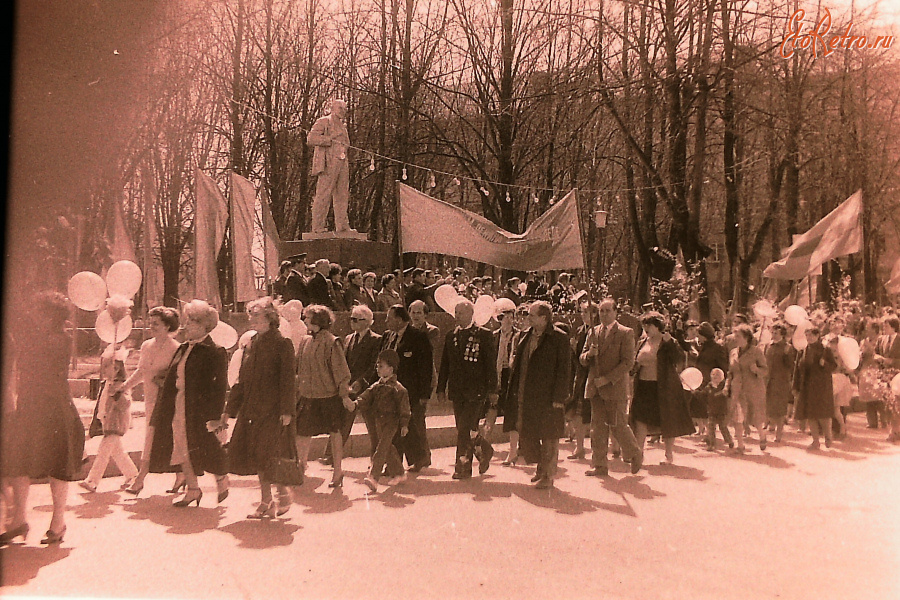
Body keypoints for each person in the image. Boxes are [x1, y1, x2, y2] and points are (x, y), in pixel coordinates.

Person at [1, 293, 84, 546]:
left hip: (54, 408)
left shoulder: (60, 339)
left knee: (57, 466)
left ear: (51, 315)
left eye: (38, 311)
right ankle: (19, 521)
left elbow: (36, 359)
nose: (33, 315)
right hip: (29, 406)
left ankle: (58, 522)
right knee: (18, 462)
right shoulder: (33, 338)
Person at [148, 300, 230, 507]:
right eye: (187, 321)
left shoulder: (215, 351)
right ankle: (193, 489)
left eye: (192, 322)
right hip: (178, 403)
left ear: (204, 326)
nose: (186, 326)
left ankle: (221, 478)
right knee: (180, 445)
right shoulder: (184, 348)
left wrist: (216, 415)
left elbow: (219, 387)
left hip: (198, 408)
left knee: (206, 445)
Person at [222, 298, 296, 519]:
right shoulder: (251, 343)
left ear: (269, 317)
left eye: (255, 315)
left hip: (273, 410)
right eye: (250, 315)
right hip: (251, 409)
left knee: (269, 454)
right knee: (256, 455)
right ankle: (267, 500)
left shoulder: (283, 343)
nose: (251, 319)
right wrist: (229, 409)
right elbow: (242, 380)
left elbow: (287, 381)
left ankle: (282, 494)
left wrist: (287, 411)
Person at [507, 301, 571, 489]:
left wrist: (559, 398)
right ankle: (541, 468)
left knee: (550, 437)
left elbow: (564, 370)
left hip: (549, 397)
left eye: (532, 315)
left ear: (544, 318)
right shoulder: (524, 335)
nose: (528, 318)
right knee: (529, 434)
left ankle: (548, 475)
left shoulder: (559, 338)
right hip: (526, 394)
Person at [117, 306, 181, 495]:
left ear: (168, 326)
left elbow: (177, 376)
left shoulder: (175, 348)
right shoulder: (146, 345)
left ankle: (140, 479)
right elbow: (141, 372)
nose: (151, 326)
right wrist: (124, 387)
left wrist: (164, 379)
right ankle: (180, 476)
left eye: (156, 323)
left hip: (169, 401)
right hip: (151, 400)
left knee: (160, 438)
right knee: (154, 437)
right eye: (150, 322)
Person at [581, 299, 643, 477]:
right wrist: (589, 355)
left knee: (618, 426)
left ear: (616, 313)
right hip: (595, 388)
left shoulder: (625, 333)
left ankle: (634, 453)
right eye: (601, 311)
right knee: (597, 428)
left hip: (614, 388)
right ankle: (599, 464)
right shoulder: (593, 332)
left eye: (608, 311)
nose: (604, 314)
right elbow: (582, 358)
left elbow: (628, 363)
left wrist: (607, 379)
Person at [437, 300, 498, 479]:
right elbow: (445, 364)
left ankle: (462, 467)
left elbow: (490, 365)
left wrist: (493, 389)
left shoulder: (483, 335)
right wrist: (441, 388)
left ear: (471, 314)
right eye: (455, 313)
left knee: (464, 429)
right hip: (458, 390)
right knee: (465, 428)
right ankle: (484, 451)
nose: (457, 316)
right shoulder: (451, 336)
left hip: (476, 390)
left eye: (460, 313)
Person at [294, 305, 354, 488]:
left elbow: (341, 372)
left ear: (318, 320)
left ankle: (338, 471)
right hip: (308, 396)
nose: (305, 320)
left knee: (334, 433)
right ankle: (300, 466)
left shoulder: (332, 342)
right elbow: (298, 367)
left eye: (308, 317)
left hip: (329, 397)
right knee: (302, 433)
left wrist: (344, 396)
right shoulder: (305, 341)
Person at [631, 312, 695, 465]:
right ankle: (639, 454)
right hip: (643, 385)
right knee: (640, 420)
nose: (646, 328)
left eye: (649, 325)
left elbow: (679, 359)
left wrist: (671, 344)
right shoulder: (642, 341)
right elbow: (636, 360)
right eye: (644, 325)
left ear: (658, 326)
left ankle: (668, 454)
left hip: (663, 387)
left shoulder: (667, 341)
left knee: (666, 420)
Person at [321, 304, 381, 465]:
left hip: (367, 389)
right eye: (351, 318)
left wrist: (361, 382)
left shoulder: (376, 340)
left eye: (355, 319)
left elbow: (374, 365)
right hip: (348, 387)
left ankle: (376, 459)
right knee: (342, 421)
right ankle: (331, 455)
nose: (352, 322)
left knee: (373, 426)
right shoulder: (348, 338)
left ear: (367, 321)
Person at [381, 305, 434, 471]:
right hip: (389, 391)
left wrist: (424, 394)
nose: (386, 321)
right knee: (394, 428)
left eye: (389, 318)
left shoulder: (418, 337)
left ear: (398, 319)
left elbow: (425, 368)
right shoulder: (387, 336)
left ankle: (416, 459)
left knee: (408, 426)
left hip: (410, 391)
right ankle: (399, 463)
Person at [79, 352, 139, 493]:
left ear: (117, 369)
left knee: (103, 452)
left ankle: (92, 481)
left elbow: (126, 404)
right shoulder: (106, 384)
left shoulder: (120, 385)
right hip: (107, 422)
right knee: (118, 452)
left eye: (107, 366)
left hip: (116, 422)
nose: (104, 369)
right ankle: (132, 475)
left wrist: (117, 394)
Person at [357, 350, 411, 491]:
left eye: (381, 366)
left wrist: (404, 424)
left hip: (391, 422)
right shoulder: (377, 385)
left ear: (391, 369)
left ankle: (374, 477)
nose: (377, 368)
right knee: (387, 448)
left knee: (381, 449)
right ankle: (399, 473)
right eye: (377, 366)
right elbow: (366, 395)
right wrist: (356, 403)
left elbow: (404, 409)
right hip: (379, 421)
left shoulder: (398, 389)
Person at [307, 98, 356, 234]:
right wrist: (328, 140)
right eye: (340, 108)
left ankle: (342, 226)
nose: (343, 111)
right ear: (333, 108)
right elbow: (311, 139)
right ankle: (317, 226)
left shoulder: (343, 127)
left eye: (345, 109)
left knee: (342, 195)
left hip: (342, 162)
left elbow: (347, 143)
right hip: (328, 163)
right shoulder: (324, 121)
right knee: (323, 194)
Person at [793, 326, 837, 450]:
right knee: (810, 414)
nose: (809, 338)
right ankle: (815, 440)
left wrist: (825, 364)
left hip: (822, 386)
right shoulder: (802, 351)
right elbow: (797, 369)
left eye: (812, 335)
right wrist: (795, 386)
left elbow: (834, 366)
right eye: (807, 335)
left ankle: (828, 436)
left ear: (818, 336)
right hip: (807, 386)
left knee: (824, 413)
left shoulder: (825, 350)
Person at [727, 324, 769, 453]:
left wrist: (756, 369)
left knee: (755, 419)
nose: (736, 339)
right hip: (737, 390)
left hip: (753, 389)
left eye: (738, 336)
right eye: (735, 336)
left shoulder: (756, 352)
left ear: (746, 337)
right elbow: (731, 371)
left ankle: (762, 435)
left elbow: (765, 370)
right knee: (737, 418)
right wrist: (727, 385)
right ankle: (740, 446)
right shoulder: (733, 352)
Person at [492, 298, 522, 465]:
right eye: (505, 317)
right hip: (497, 375)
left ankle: (513, 450)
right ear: (499, 319)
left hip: (511, 376)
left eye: (511, 317)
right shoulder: (493, 336)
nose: (509, 320)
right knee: (491, 410)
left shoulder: (519, 336)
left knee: (513, 412)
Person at [567, 301, 598, 461]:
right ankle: (579, 447)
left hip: (593, 376)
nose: (582, 315)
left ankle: (604, 448)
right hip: (580, 376)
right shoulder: (580, 331)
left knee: (595, 415)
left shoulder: (598, 331)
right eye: (582, 312)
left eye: (586, 313)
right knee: (578, 414)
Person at [764, 324, 795, 443]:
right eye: (772, 332)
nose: (773, 335)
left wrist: (787, 355)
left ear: (782, 334)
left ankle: (779, 433)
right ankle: (771, 424)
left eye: (776, 333)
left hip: (781, 381)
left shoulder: (787, 347)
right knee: (769, 405)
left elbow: (790, 366)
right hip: (768, 380)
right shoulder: (768, 346)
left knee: (780, 408)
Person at [859, 319, 889, 429]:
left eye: (869, 328)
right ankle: (872, 422)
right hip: (866, 370)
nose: (867, 330)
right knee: (868, 398)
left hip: (877, 370)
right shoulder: (863, 341)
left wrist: (870, 348)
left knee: (880, 397)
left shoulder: (880, 340)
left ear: (875, 330)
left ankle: (884, 421)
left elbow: (880, 355)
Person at [703, 368, 732, 450]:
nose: (715, 376)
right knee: (711, 428)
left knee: (723, 427)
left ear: (722, 377)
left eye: (717, 375)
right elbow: (703, 394)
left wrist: (719, 394)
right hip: (711, 411)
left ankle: (729, 440)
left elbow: (725, 394)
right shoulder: (709, 386)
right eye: (713, 374)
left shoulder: (723, 386)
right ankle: (712, 444)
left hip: (721, 411)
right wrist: (695, 393)